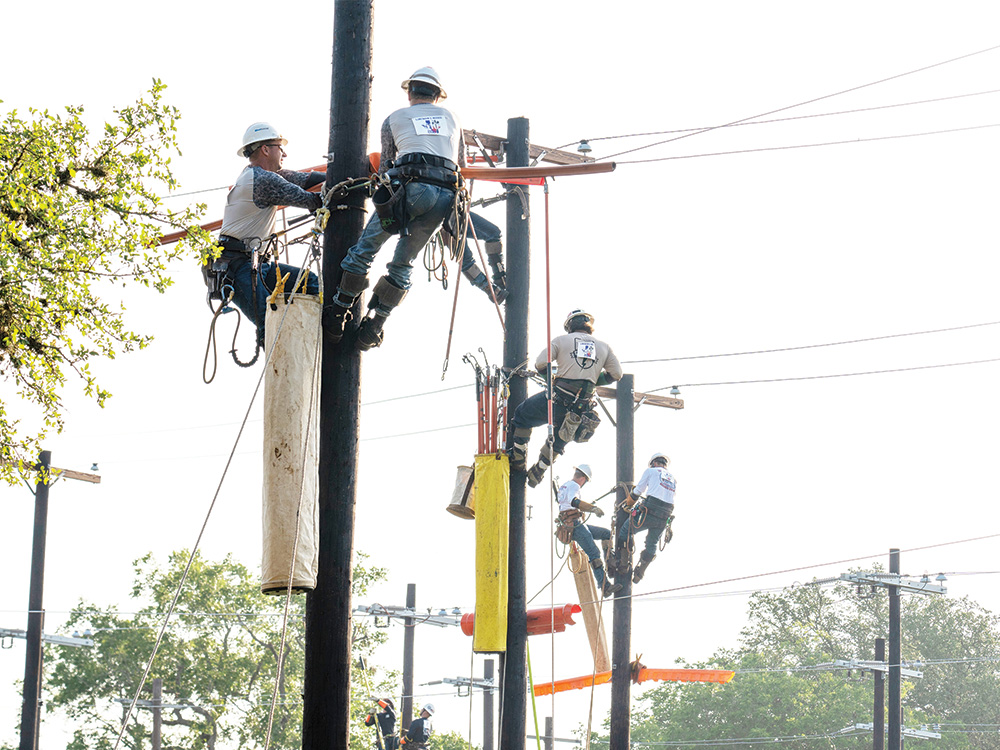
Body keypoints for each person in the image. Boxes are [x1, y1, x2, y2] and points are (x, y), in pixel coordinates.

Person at [326, 66, 466, 350]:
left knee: (365, 249)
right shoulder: (453, 118)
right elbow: (459, 160)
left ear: (410, 92)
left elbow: (388, 164)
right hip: (444, 198)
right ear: (438, 96)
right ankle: (375, 325)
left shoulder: (394, 118)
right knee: (404, 263)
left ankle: (339, 313)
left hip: (408, 192)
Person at [208, 122, 325, 348]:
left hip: (258, 266)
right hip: (239, 267)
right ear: (265, 149)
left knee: (310, 283)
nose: (284, 153)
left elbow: (305, 179)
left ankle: (317, 337)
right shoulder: (262, 180)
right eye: (280, 148)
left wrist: (344, 174)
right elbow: (311, 199)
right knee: (271, 327)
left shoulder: (259, 175)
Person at [508, 309, 622, 488]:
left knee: (522, 415)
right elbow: (617, 374)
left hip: (558, 398)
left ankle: (518, 457)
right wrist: (592, 380)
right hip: (581, 407)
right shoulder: (603, 347)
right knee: (561, 438)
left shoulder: (562, 340)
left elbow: (540, 364)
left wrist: (551, 382)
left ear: (569, 325)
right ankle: (540, 469)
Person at [556, 464, 622, 598]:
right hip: (574, 525)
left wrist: (582, 509)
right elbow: (574, 501)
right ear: (583, 479)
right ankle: (605, 586)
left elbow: (566, 504)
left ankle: (610, 564)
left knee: (606, 534)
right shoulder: (575, 486)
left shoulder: (564, 486)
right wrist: (592, 508)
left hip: (572, 523)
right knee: (594, 553)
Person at [616, 452, 677, 584]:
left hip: (649, 510)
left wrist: (627, 504)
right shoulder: (673, 479)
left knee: (625, 531)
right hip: (664, 516)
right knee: (652, 543)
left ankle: (623, 564)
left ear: (654, 463)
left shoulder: (651, 471)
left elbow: (638, 491)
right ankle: (640, 572)